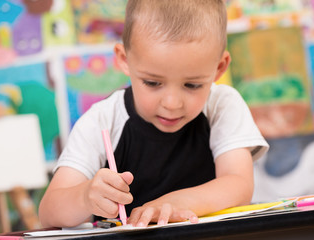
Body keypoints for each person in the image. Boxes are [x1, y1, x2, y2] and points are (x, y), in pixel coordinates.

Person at [39, 0, 269, 228]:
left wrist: (172, 204)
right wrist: (84, 197)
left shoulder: (223, 105)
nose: (171, 103)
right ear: (124, 60)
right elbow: (49, 214)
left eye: (192, 85)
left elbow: (239, 185)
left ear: (219, 67)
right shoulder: (101, 121)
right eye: (152, 82)